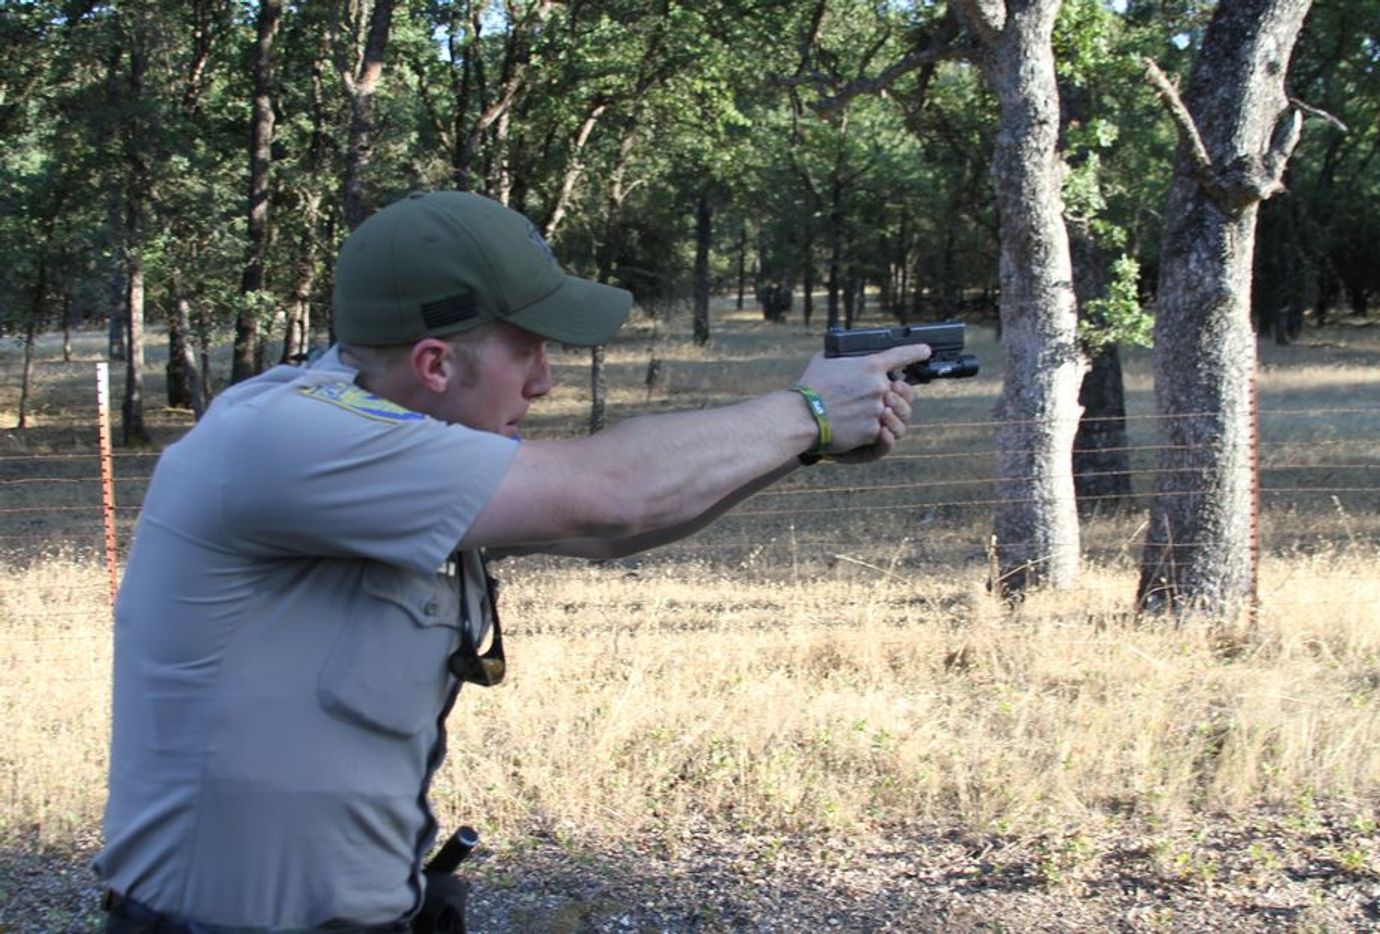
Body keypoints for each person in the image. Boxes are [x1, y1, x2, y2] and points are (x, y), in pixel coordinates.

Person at [95, 190, 929, 931]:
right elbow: (611, 491)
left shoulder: (388, 443)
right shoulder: (287, 438)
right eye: (528, 347)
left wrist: (804, 445)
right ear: (434, 362)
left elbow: (608, 533)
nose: (546, 380)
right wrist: (808, 412)